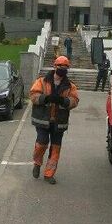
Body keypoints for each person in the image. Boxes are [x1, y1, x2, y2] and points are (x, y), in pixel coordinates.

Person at [30, 56, 79, 184]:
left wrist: (64, 101)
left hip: (59, 122)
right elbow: (33, 95)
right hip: (43, 120)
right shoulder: (41, 81)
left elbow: (75, 101)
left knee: (55, 148)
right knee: (41, 144)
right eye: (60, 66)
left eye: (65, 67)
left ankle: (49, 174)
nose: (62, 69)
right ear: (54, 66)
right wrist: (45, 98)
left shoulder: (70, 86)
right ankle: (37, 163)